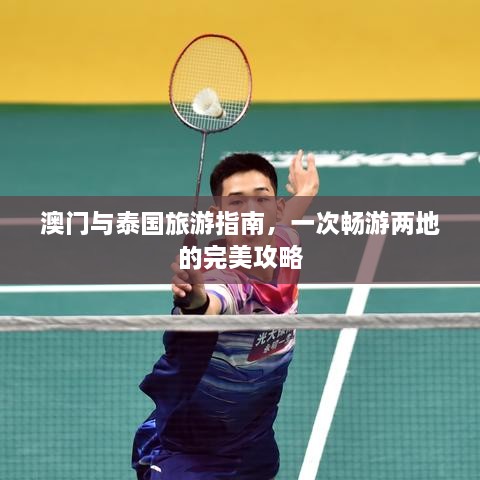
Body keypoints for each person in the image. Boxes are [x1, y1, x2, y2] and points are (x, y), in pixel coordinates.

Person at [132, 150, 319, 480]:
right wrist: (195, 299)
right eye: (236, 203)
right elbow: (211, 302)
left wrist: (305, 192)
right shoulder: (225, 281)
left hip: (254, 442)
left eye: (261, 199)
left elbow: (287, 222)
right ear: (218, 217)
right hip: (192, 454)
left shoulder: (285, 245)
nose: (251, 212)